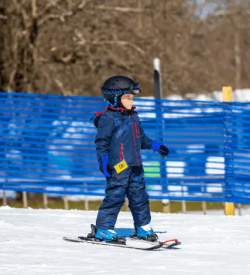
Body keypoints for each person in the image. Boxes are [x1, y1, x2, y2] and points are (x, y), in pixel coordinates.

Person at [93, 75, 169, 242]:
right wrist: (103, 161)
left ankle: (143, 227)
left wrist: (155, 146)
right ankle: (103, 228)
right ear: (115, 98)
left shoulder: (133, 116)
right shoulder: (108, 118)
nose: (131, 100)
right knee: (115, 196)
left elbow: (141, 138)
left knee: (139, 197)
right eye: (127, 97)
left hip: (135, 164)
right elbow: (101, 143)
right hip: (119, 166)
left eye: (132, 97)